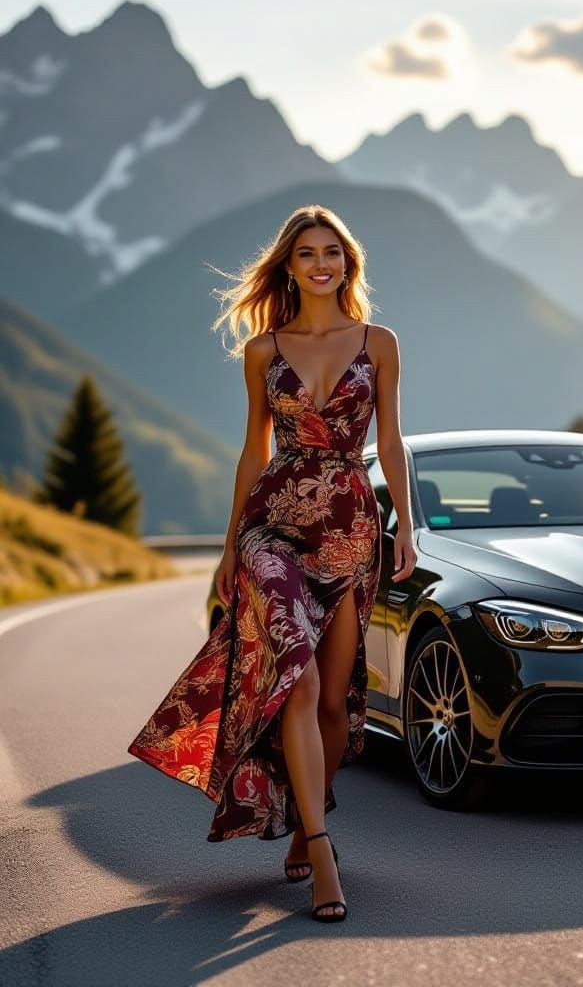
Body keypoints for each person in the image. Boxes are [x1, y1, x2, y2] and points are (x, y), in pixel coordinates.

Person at [127, 203, 416, 923]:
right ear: (289, 265)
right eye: (308, 253)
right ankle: (321, 852)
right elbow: (254, 451)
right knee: (297, 676)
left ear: (349, 264)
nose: (323, 263)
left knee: (332, 704)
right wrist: (232, 545)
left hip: (349, 526)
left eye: (334, 253)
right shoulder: (264, 351)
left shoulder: (379, 342)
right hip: (274, 527)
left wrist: (407, 524)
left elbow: (393, 441)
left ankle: (298, 812)